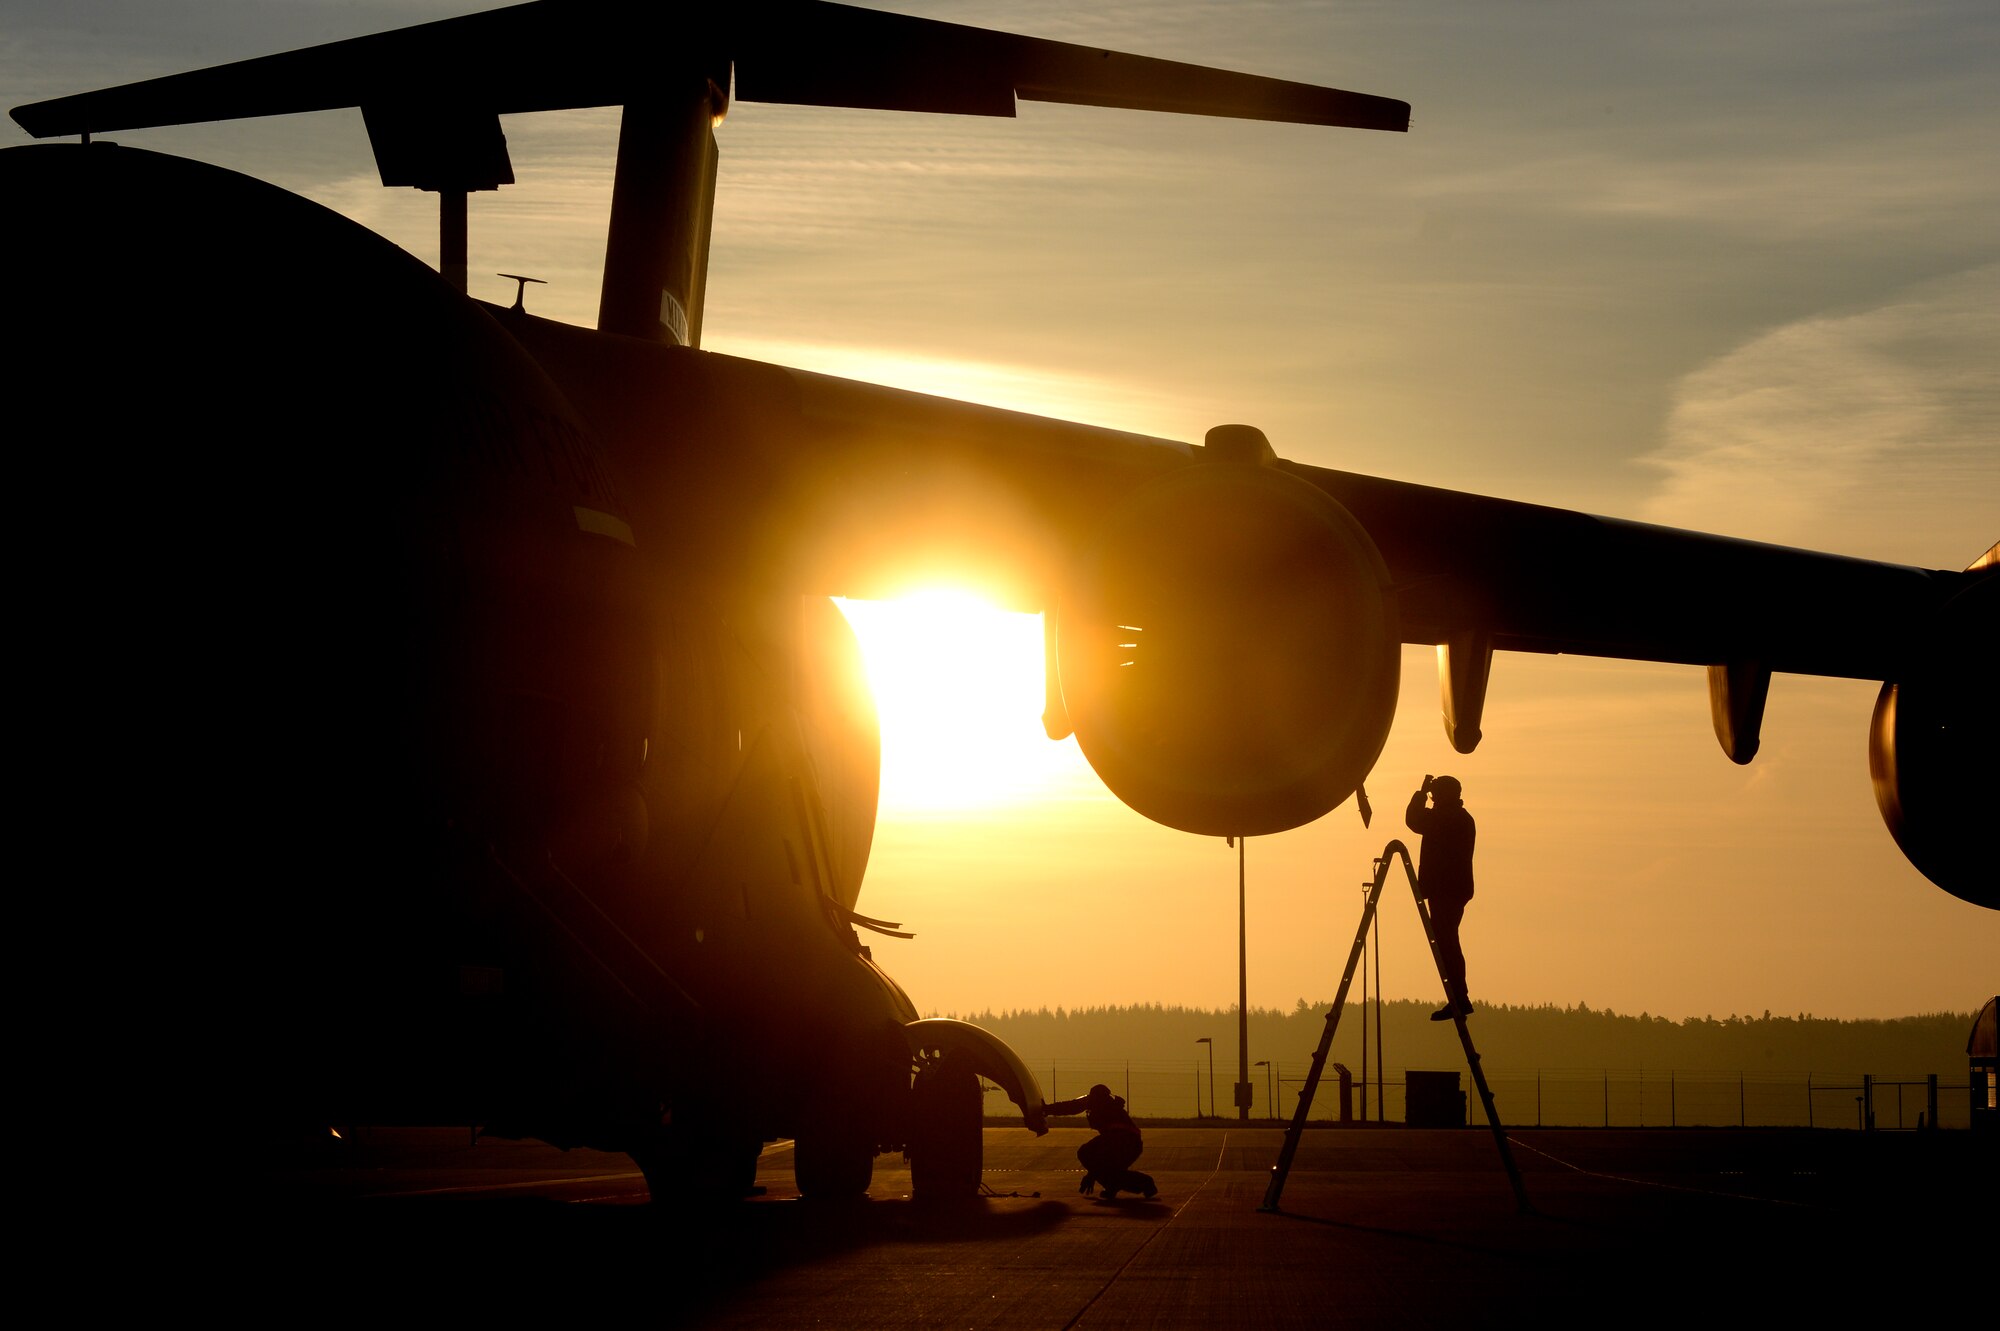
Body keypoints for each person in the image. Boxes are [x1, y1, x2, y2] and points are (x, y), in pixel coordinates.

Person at [1405, 774, 1476, 1021]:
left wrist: (1421, 792)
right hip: (1451, 890)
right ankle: (1458, 997)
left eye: (1435, 795)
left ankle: (1459, 998)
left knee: (1447, 943)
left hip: (1446, 890)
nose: (1433, 799)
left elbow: (1413, 820)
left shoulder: (1446, 817)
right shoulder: (1460, 818)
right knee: (1448, 942)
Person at [1046, 1083, 1156, 1200]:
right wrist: (1047, 1109)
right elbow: (1071, 1106)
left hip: (1123, 1144)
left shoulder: (1107, 1109)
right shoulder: (1103, 1103)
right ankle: (1119, 1185)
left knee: (1087, 1153)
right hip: (1129, 1144)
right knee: (1110, 1169)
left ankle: (1144, 1183)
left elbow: (1106, 1150)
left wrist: (1091, 1175)